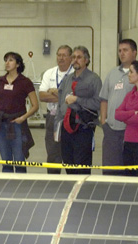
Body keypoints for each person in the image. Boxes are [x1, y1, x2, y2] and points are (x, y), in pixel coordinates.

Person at [54, 46, 102, 174]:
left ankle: (83, 191)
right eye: (74, 57)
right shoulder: (68, 79)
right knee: (68, 163)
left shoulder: (94, 79)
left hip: (83, 128)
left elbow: (98, 103)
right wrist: (57, 126)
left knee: (82, 165)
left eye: (79, 57)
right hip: (66, 127)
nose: (75, 60)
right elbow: (60, 103)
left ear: (86, 60)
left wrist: (77, 100)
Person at [0, 52, 38, 173]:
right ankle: (8, 187)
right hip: (0, 125)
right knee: (6, 162)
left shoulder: (25, 82)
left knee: (19, 160)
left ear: (18, 64)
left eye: (11, 60)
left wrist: (23, 118)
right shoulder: (0, 81)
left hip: (17, 125)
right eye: (6, 60)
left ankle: (21, 188)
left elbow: (35, 105)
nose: (7, 62)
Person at [99, 39, 137, 175]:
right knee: (110, 171)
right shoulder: (112, 73)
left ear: (134, 53)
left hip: (132, 132)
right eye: (120, 50)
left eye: (125, 50)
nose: (122, 53)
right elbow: (104, 99)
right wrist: (104, 122)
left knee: (129, 171)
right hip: (112, 131)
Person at [39, 45, 74, 174]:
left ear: (71, 58)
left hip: (69, 117)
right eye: (59, 55)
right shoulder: (50, 73)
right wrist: (63, 95)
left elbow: (75, 98)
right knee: (53, 154)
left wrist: (56, 92)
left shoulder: (74, 73)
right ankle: (53, 182)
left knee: (70, 154)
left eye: (64, 55)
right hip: (52, 118)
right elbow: (42, 96)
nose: (61, 58)